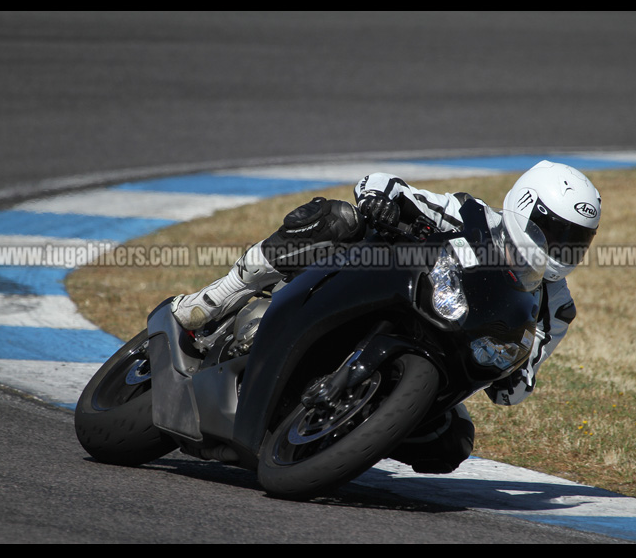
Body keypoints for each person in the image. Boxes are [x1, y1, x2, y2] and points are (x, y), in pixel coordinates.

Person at [170, 160, 601, 473]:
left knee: (453, 444)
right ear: (524, 207)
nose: (563, 249)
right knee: (335, 218)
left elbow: (517, 387)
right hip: (381, 288)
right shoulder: (469, 214)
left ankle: (350, 438)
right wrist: (380, 202)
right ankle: (215, 299)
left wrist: (513, 370)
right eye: (557, 234)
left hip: (444, 351)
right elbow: (382, 183)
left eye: (575, 242)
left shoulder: (556, 306)